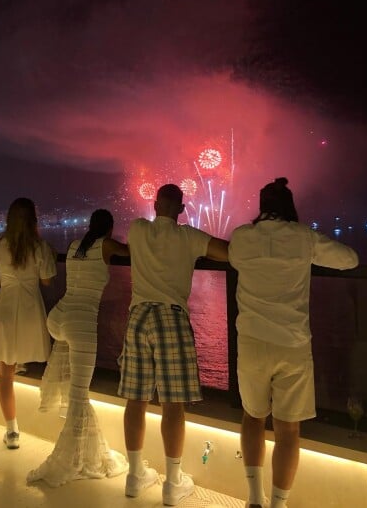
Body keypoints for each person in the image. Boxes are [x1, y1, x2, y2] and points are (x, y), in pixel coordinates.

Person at [228, 177, 358, 508]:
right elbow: (350, 260)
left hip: (252, 343)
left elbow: (232, 258)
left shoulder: (242, 238)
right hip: (292, 343)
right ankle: (278, 504)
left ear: (261, 206)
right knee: (288, 431)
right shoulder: (303, 238)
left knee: (253, 417)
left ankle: (254, 499)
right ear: (289, 206)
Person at [118, 183, 229, 506]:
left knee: (136, 400)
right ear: (181, 209)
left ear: (154, 205)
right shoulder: (189, 237)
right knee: (173, 405)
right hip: (170, 316)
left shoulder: (138, 230)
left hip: (138, 317)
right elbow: (229, 252)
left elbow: (120, 246)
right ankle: (172, 482)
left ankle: (135, 475)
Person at [27, 209, 130, 487]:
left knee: (77, 395)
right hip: (80, 323)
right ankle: (71, 459)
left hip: (58, 316)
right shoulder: (106, 245)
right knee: (78, 396)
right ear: (109, 229)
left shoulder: (75, 246)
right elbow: (130, 251)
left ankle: (82, 450)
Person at [0, 197, 57, 450]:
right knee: (28, 357)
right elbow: (47, 281)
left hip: (4, 309)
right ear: (33, 220)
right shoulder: (41, 247)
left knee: (5, 374)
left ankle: (12, 430)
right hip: (30, 311)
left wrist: (7, 278)